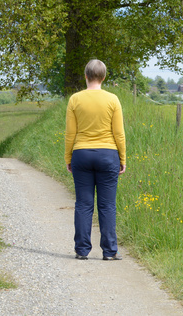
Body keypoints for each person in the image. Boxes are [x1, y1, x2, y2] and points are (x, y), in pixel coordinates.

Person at [65, 58, 126, 260]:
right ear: (104, 76)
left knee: (83, 203)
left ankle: (82, 251)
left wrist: (68, 157)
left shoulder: (75, 99)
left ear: (86, 76)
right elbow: (119, 134)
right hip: (108, 155)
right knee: (107, 205)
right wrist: (122, 158)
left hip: (81, 154)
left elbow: (70, 133)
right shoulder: (112, 99)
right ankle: (110, 251)